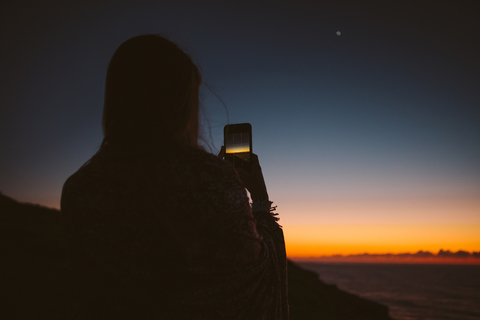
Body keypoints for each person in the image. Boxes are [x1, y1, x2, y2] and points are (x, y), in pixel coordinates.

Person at [61, 34, 288, 319]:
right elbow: (259, 277)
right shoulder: (211, 185)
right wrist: (259, 198)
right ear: (181, 106)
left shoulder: (79, 189)